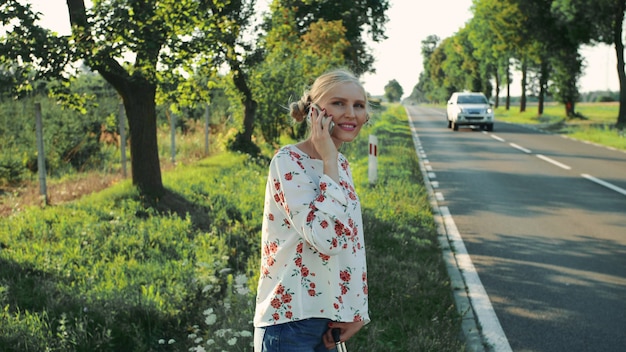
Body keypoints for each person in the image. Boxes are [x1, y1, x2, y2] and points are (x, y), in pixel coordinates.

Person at [253, 68, 371, 352]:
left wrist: (357, 313)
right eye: (338, 103)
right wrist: (329, 156)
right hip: (290, 323)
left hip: (330, 321)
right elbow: (326, 239)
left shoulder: (341, 166)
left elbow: (351, 244)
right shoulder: (288, 161)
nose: (351, 114)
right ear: (314, 111)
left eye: (359, 105)